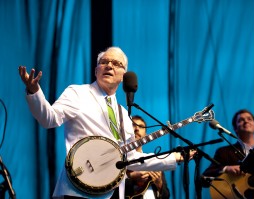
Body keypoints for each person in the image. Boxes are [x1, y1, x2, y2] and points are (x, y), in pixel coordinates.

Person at [18, 47, 193, 199]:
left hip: (115, 191)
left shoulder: (124, 114)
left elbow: (130, 158)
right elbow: (49, 119)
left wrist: (174, 158)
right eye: (104, 62)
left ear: (124, 75)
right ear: (96, 70)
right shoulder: (78, 93)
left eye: (116, 64)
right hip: (79, 188)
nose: (109, 65)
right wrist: (34, 91)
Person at [124, 115, 170, 199]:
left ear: (146, 135)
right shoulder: (120, 162)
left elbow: (166, 196)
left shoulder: (153, 162)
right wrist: (132, 178)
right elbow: (111, 190)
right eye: (133, 125)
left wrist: (159, 184)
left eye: (141, 126)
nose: (137, 129)